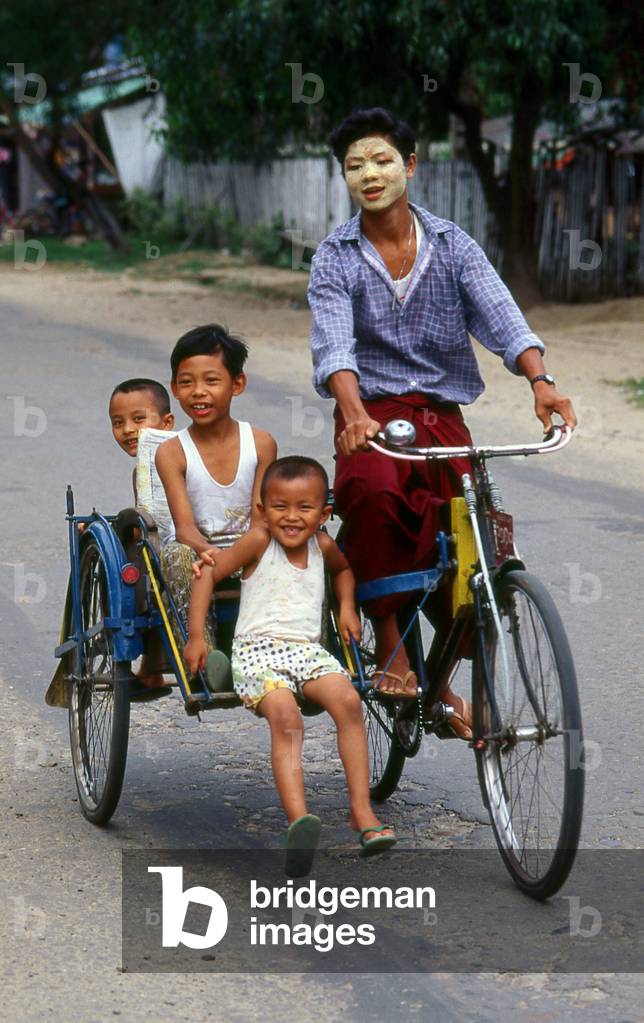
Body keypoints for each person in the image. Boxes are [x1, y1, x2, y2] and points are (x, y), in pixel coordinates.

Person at [308, 107, 577, 736]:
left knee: (472, 539)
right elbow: (333, 345)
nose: (369, 175)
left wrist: (541, 382)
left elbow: (502, 316)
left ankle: (452, 676)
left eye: (380, 160)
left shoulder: (453, 245)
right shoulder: (335, 257)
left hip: (442, 419)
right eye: (354, 166)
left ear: (411, 163)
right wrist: (351, 414)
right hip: (370, 419)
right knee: (373, 496)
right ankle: (390, 638)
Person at [184, 455, 397, 875]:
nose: (292, 517)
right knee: (286, 718)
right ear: (262, 510)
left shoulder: (323, 545)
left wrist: (349, 607)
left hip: (307, 652)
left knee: (349, 701)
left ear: (324, 513)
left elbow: (344, 571)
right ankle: (299, 820)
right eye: (280, 507)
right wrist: (197, 636)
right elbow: (208, 574)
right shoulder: (258, 541)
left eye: (305, 508)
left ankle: (360, 811)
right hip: (257, 653)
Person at [155, 324, 276, 679]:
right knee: (176, 556)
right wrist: (211, 553)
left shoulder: (261, 443)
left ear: (237, 384)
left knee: (308, 544)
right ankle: (203, 658)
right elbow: (184, 529)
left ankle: (300, 649)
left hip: (251, 548)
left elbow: (261, 519)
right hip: (199, 552)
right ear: (174, 388)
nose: (198, 392)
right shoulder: (172, 452)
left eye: (211, 381)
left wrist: (240, 553)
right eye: (187, 382)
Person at [109, 378, 176, 700]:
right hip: (161, 548)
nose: (127, 430)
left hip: (180, 546)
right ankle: (151, 669)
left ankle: (151, 669)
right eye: (118, 423)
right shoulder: (140, 472)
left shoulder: (184, 455)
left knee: (139, 561)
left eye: (138, 419)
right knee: (144, 559)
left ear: (167, 423)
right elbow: (145, 521)